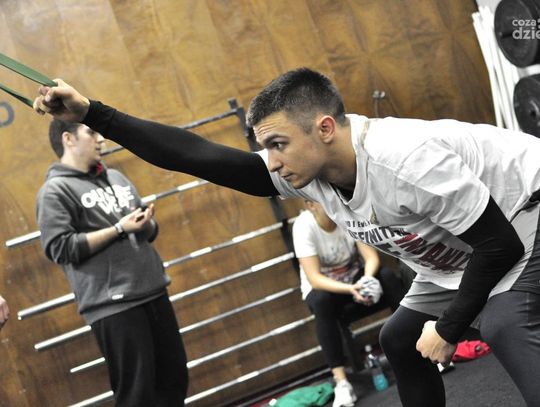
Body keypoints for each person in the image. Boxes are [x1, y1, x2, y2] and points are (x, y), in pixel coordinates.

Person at [32, 68, 540, 407]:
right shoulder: (307, 170)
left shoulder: (404, 160)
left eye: (278, 145)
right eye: (265, 148)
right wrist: (93, 114)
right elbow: (194, 155)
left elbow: (501, 246)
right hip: (466, 251)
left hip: (525, 212)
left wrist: (449, 328)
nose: (271, 163)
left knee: (503, 324)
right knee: (399, 339)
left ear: (324, 128)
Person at [36, 119, 188, 406]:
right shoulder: (55, 191)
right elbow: (60, 248)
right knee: (137, 395)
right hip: (113, 306)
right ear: (68, 139)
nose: (101, 138)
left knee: (174, 381)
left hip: (153, 290)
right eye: (91, 132)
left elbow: (149, 232)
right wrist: (118, 229)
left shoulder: (116, 177)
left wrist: (145, 223)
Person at [293, 200, 404, 407]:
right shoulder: (303, 226)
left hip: (356, 279)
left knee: (388, 277)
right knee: (321, 301)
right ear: (311, 205)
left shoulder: (343, 211)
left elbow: (371, 257)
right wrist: (351, 289)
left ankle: (418, 350)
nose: (329, 199)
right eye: (320, 198)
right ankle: (342, 383)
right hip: (326, 289)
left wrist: (367, 281)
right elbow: (314, 279)